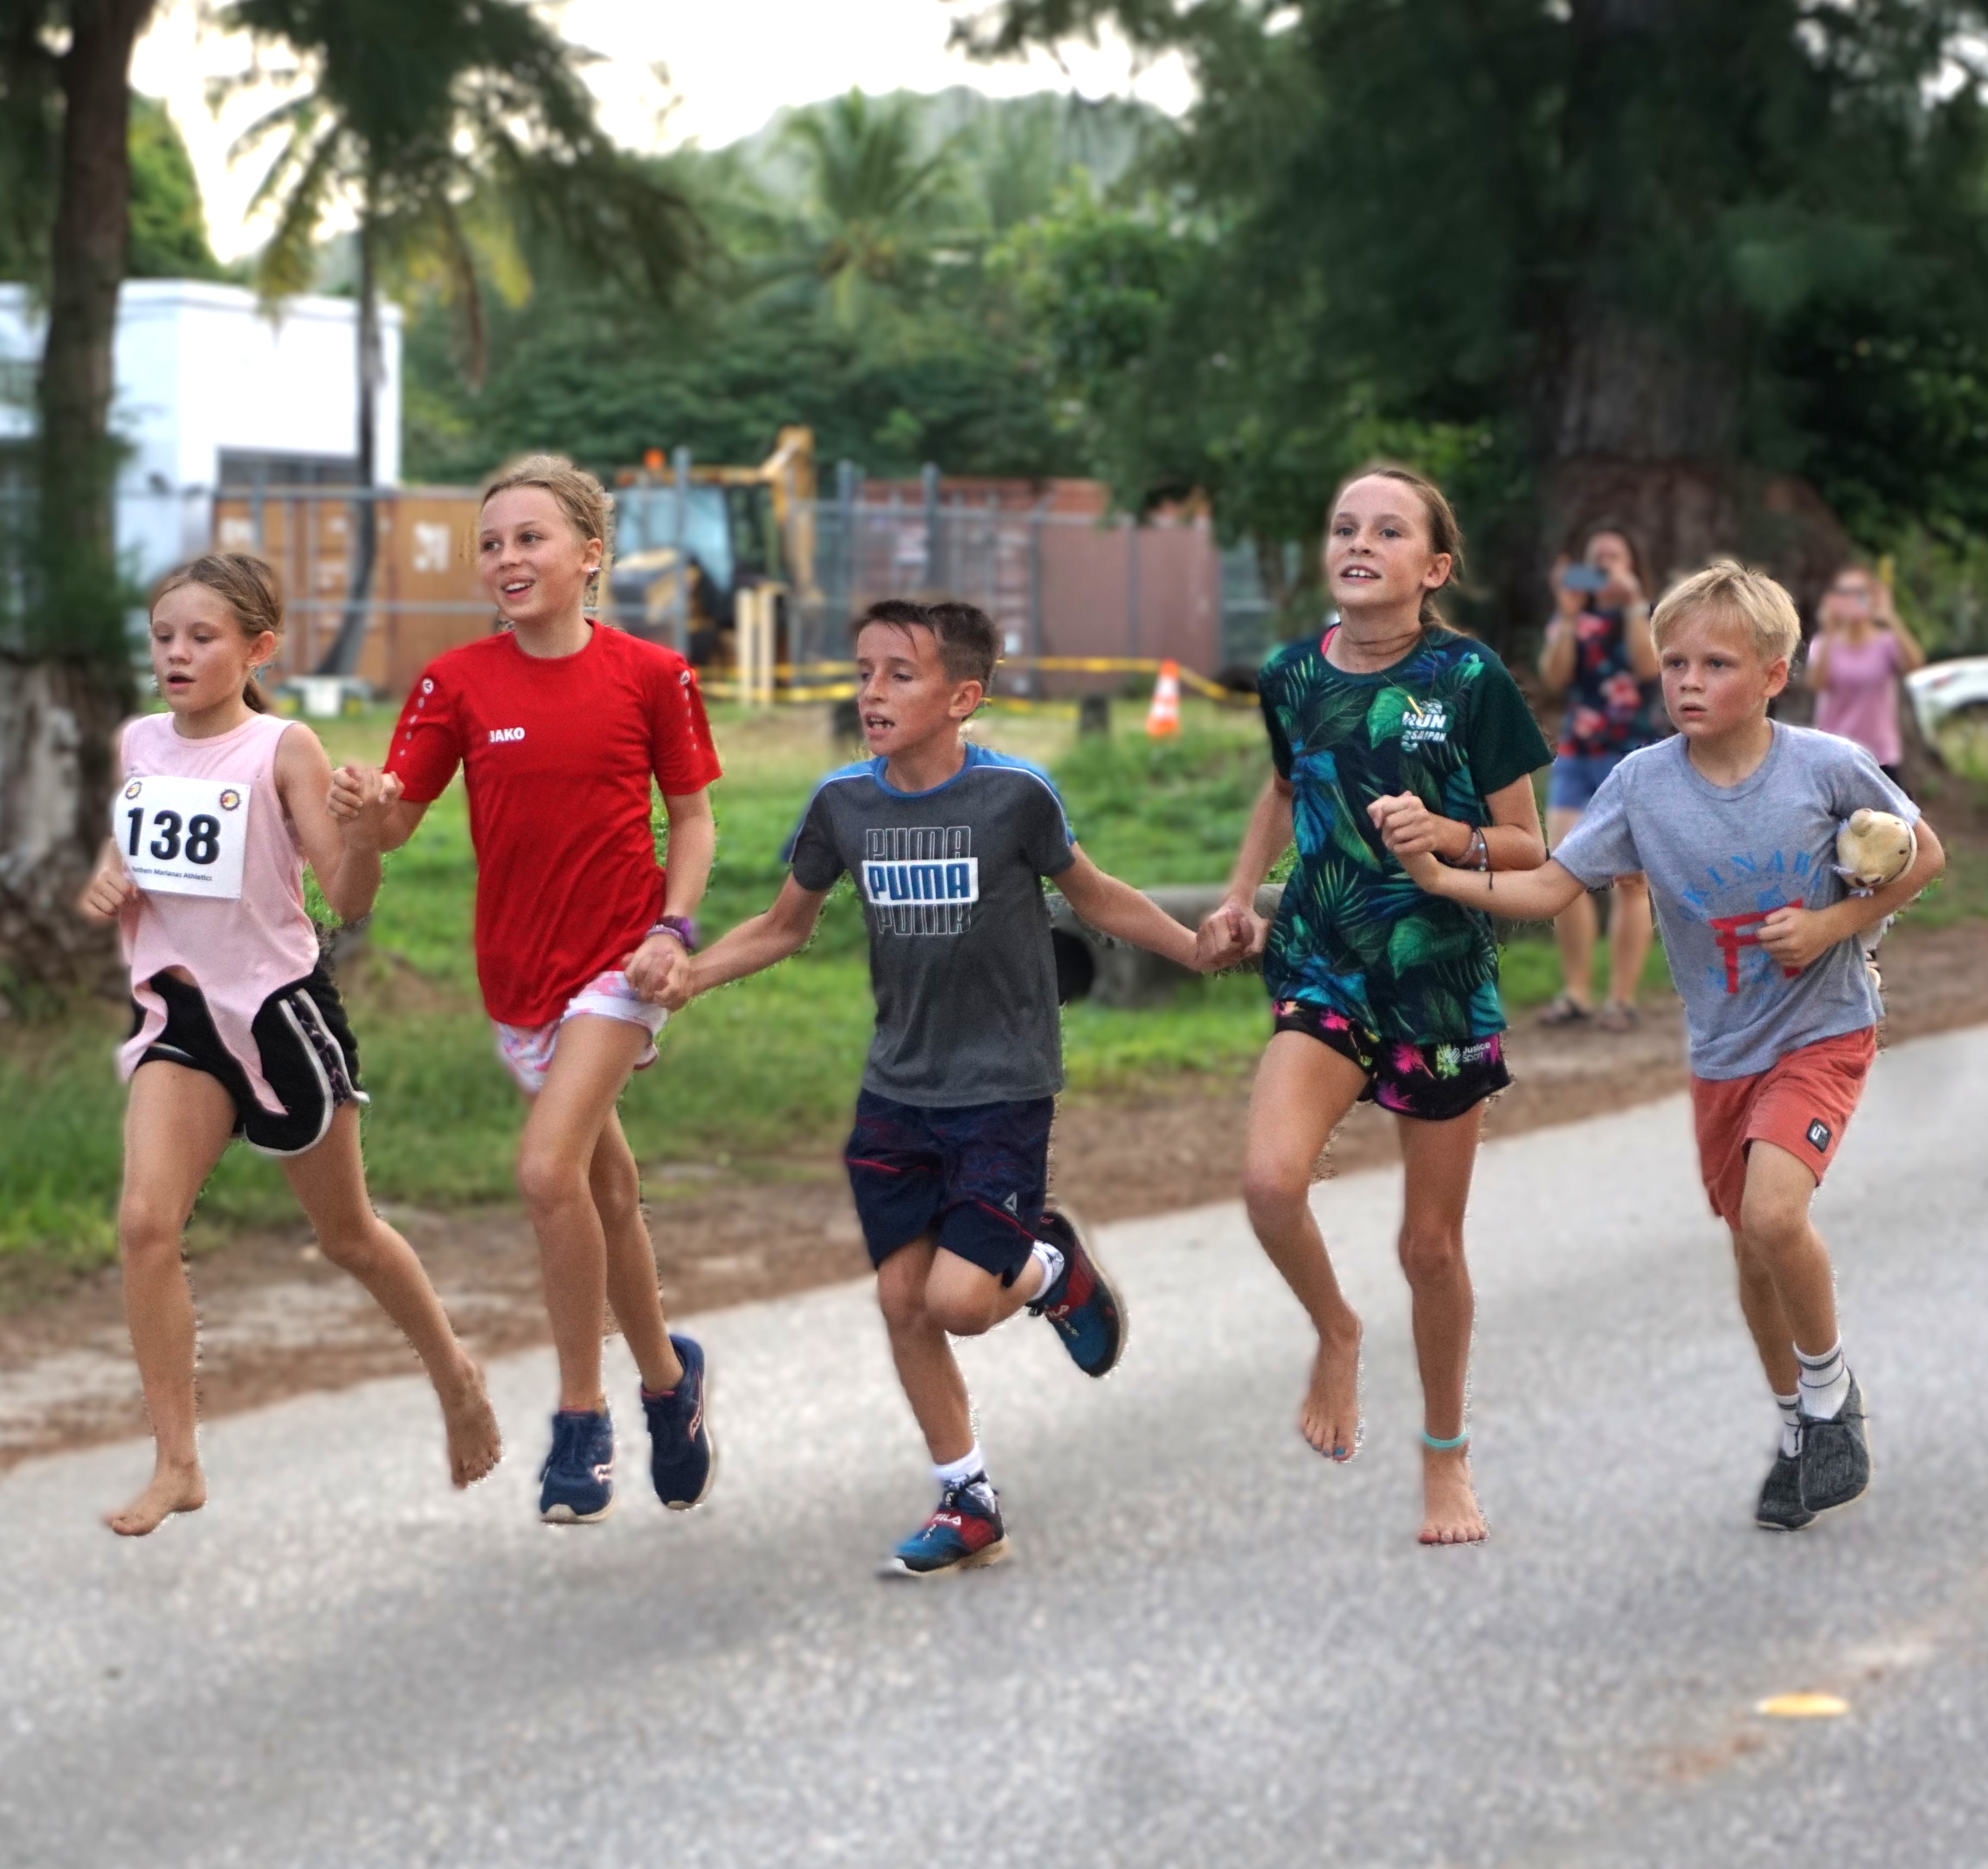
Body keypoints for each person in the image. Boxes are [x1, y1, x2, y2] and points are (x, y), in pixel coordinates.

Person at [1384, 560, 1945, 1531]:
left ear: (1773, 674)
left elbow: (1923, 852)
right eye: (1673, 661)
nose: (1686, 680)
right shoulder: (1642, 785)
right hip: (1723, 1049)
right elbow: (1551, 887)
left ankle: (1830, 1397)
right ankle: (1796, 1428)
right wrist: (1442, 875)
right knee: (1748, 1246)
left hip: (1822, 1028)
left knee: (1774, 1217)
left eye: (1715, 663)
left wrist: (1831, 926)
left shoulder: (1823, 765)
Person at [666, 598, 1204, 1577]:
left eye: (898, 675)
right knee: (902, 1297)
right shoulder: (842, 804)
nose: (872, 692)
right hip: (897, 1090)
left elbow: (1094, 895)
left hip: (1002, 1083)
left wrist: (1193, 944)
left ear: (963, 697)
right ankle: (968, 1496)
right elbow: (785, 924)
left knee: (959, 1300)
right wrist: (687, 973)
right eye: (864, 672)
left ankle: (1047, 1267)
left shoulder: (1015, 799)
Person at [79, 553, 501, 1538]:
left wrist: (360, 830)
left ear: (257, 649)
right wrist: (110, 876)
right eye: (164, 637)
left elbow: (347, 900)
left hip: (276, 1010)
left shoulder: (283, 748)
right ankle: (177, 1459)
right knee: (145, 1224)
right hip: (180, 1018)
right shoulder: (140, 740)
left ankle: (456, 1372)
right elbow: (131, 840)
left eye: (202, 638)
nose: (177, 655)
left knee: (346, 1234)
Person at [334, 454, 719, 1526]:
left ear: (589, 555)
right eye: (492, 543)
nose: (507, 558)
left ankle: (581, 1418)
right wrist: (367, 803)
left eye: (530, 538)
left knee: (547, 1172)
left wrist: (672, 930)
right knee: (601, 1193)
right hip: (518, 981)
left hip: (619, 965)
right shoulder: (454, 683)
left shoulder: (653, 675)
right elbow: (399, 820)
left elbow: (690, 819)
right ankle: (668, 1384)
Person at [1193, 465, 1554, 1547]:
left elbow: (1531, 847)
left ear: (1430, 568)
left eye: (1387, 530)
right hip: (1323, 959)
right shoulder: (1289, 673)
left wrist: (1442, 838)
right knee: (1267, 1183)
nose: (1359, 541)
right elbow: (1284, 782)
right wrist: (1237, 896)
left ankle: (1444, 1457)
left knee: (1430, 1250)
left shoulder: (1470, 678)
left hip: (1437, 978)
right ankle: (1335, 1331)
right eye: (1344, 526)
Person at [1536, 525, 1662, 1032]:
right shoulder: (1572, 618)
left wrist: (1632, 603)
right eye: (1598, 559)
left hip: (1632, 757)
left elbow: (1647, 666)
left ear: (1633, 565)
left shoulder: (1651, 616)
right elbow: (1555, 676)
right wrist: (1567, 614)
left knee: (1631, 880)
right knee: (1563, 874)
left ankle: (1622, 998)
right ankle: (1577, 992)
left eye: (1616, 557)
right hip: (1577, 754)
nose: (1606, 565)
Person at [1808, 563, 1925, 788]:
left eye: (1859, 593)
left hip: (1879, 755)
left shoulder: (1886, 643)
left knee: (1894, 823)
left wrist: (1890, 617)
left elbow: (1915, 664)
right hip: (1833, 754)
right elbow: (1817, 683)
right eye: (1844, 594)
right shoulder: (1823, 644)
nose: (1852, 600)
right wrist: (1830, 629)